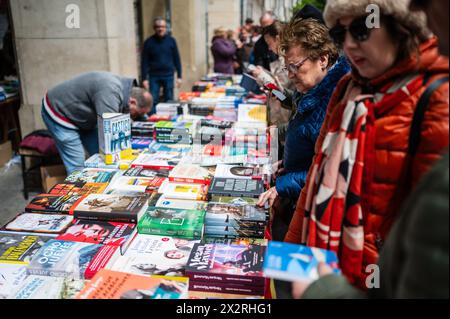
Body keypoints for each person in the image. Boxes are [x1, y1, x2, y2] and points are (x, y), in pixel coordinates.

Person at [285, 0, 449, 290]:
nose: (349, 44)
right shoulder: (347, 87)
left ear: (401, 27)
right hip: (326, 270)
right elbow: (316, 176)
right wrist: (290, 256)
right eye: (340, 34)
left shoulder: (436, 98)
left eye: (361, 30)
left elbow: (429, 240)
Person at [257, 18, 351, 242]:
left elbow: (326, 170)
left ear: (323, 59)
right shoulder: (309, 87)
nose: (290, 74)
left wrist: (285, 183)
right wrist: (274, 93)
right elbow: (292, 105)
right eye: (286, 67)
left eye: (295, 66)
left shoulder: (333, 103)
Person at [42, 71, 152, 174]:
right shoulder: (110, 93)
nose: (133, 117)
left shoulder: (127, 91)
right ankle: (78, 190)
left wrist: (148, 122)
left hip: (84, 117)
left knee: (99, 154)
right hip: (59, 112)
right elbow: (110, 133)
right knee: (78, 166)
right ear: (132, 101)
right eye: (136, 114)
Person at [141, 17, 182, 113]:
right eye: (158, 27)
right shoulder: (148, 42)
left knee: (169, 99)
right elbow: (144, 61)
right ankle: (153, 119)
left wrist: (179, 76)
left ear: (166, 28)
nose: (160, 29)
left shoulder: (171, 41)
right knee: (153, 99)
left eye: (163, 26)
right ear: (154, 28)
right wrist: (144, 78)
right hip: (154, 76)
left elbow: (177, 59)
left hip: (168, 75)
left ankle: (168, 119)